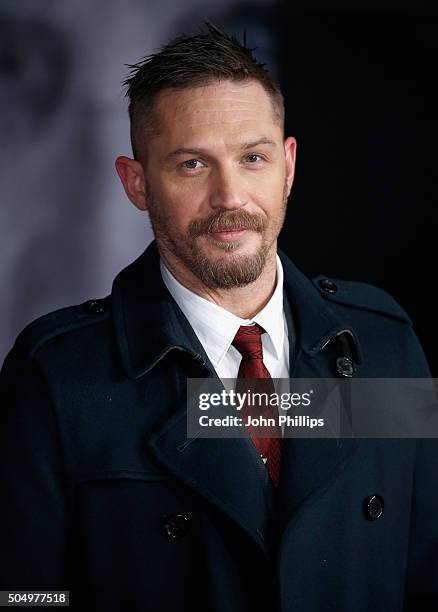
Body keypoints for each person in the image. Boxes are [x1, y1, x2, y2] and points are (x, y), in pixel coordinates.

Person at [0, 23, 436, 612]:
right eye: (192, 165)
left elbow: (425, 574)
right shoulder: (56, 376)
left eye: (252, 158)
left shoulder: (384, 343)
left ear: (287, 167)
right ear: (136, 183)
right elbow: (26, 596)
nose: (230, 196)